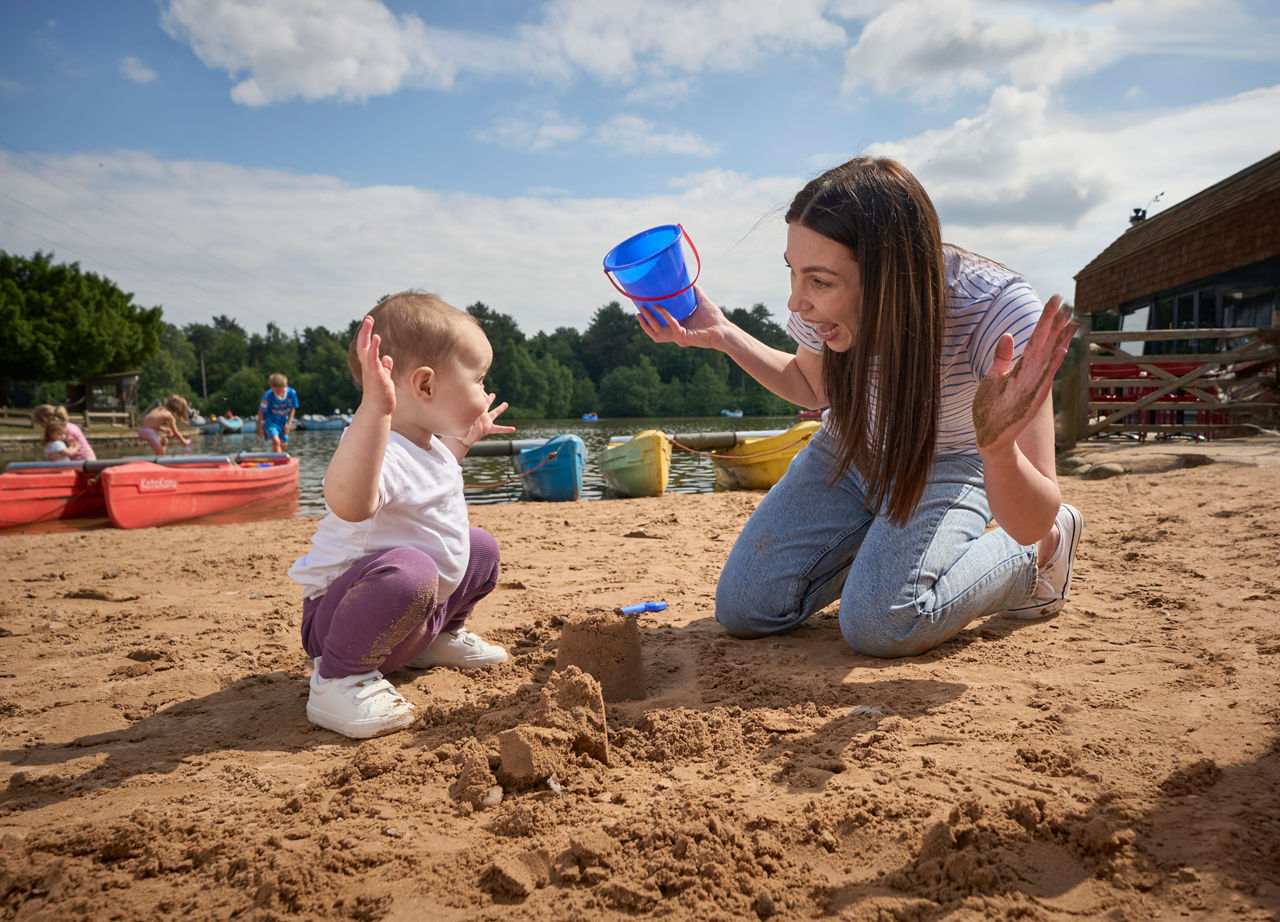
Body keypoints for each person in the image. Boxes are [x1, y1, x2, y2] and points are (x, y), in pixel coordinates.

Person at [637, 156, 1082, 658]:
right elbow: (811, 384)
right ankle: (884, 555)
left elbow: (1031, 518)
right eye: (793, 273)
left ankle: (1039, 557)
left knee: (882, 623)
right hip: (849, 451)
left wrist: (998, 451)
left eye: (819, 281)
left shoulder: (996, 313)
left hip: (948, 464)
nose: (796, 302)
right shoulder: (825, 314)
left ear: (889, 277)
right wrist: (723, 334)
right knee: (746, 609)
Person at [288, 291, 516, 739]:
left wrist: (464, 439)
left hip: (409, 622)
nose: (485, 390)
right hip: (342, 623)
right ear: (426, 385)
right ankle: (338, 680)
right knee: (412, 569)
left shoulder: (428, 446)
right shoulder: (376, 446)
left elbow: (430, 479)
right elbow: (351, 504)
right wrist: (373, 410)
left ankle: (438, 639)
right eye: (478, 380)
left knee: (481, 547)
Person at [256, 373, 299, 453]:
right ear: (271, 387)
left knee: (283, 444)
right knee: (276, 441)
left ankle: (277, 457)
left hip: (283, 421)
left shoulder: (292, 393)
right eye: (276, 390)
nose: (278, 392)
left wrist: (289, 424)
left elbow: (293, 409)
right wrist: (260, 428)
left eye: (280, 390)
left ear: (286, 386)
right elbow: (261, 412)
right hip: (271, 422)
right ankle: (278, 458)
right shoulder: (267, 395)